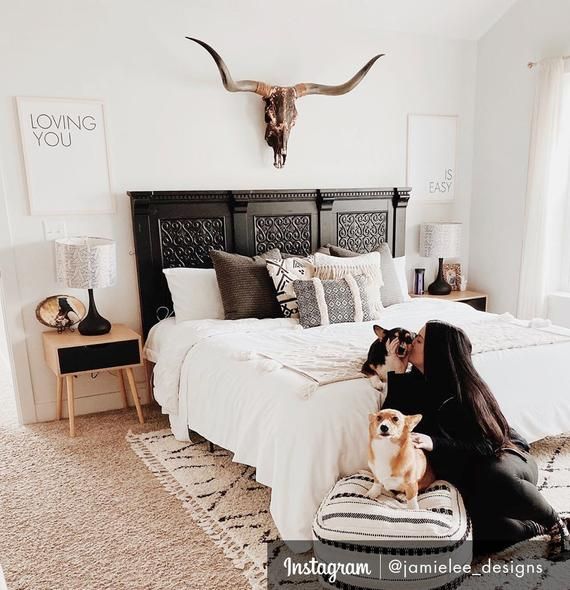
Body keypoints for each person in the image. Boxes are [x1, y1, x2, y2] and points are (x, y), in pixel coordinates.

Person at [382, 320, 570, 560]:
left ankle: (555, 523)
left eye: (418, 340)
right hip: (468, 472)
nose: (410, 344)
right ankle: (535, 526)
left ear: (436, 351)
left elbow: (488, 444)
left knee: (492, 475)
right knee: (471, 535)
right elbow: (388, 426)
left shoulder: (465, 389)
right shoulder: (412, 383)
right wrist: (397, 373)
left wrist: (435, 443)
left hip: (505, 456)